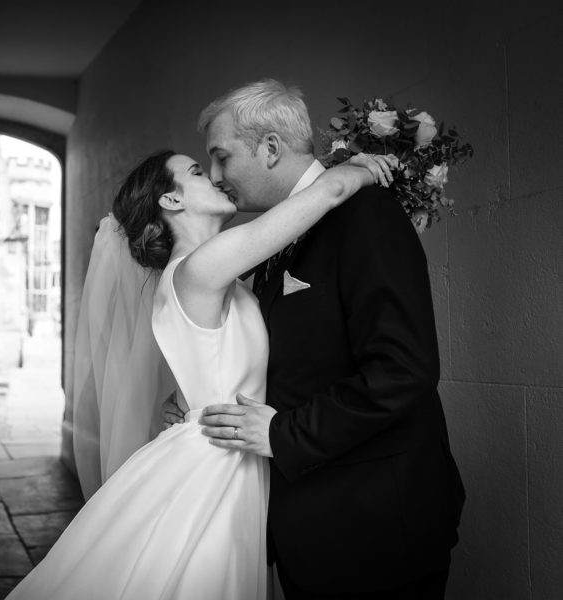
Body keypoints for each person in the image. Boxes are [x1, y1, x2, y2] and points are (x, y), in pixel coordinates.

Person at [6, 147, 392, 599]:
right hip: (213, 467)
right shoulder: (202, 267)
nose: (215, 177)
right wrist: (366, 167)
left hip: (226, 452)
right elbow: (331, 189)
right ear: (171, 202)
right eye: (196, 171)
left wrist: (186, 400)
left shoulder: (218, 273)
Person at [163, 79, 466, 599]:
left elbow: (403, 369)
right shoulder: (271, 244)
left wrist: (284, 436)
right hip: (311, 529)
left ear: (271, 148)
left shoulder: (365, 215)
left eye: (220, 157)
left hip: (377, 530)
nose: (216, 177)